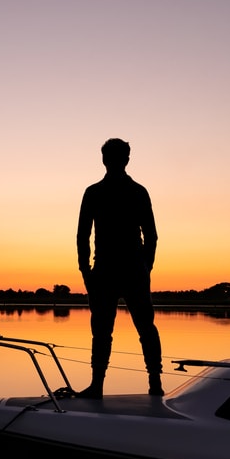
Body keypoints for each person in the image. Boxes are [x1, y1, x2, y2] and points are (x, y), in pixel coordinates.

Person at [76, 138, 164, 398]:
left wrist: (145, 267)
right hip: (106, 270)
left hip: (128, 269)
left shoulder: (137, 192)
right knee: (103, 329)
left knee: (143, 326)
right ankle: (98, 385)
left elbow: (151, 235)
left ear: (125, 160)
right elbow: (83, 235)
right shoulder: (95, 192)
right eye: (113, 158)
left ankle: (155, 383)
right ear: (108, 160)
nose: (115, 162)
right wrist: (86, 271)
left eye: (118, 158)